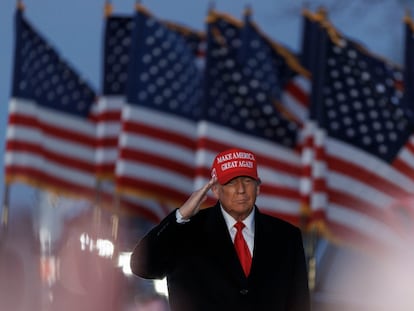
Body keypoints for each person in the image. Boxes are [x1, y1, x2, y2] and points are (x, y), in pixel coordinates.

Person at [130, 148, 310, 311]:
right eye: (231, 182)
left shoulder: (286, 237)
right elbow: (142, 266)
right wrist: (180, 216)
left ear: (258, 188)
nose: (241, 190)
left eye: (247, 181)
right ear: (215, 189)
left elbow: (299, 303)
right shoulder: (185, 231)